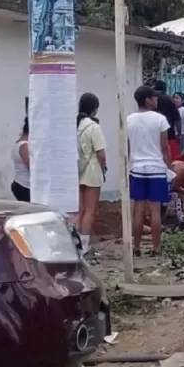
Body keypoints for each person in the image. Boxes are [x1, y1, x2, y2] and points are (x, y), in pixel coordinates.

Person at [128, 86, 171, 255]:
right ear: (147, 99)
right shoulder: (160, 119)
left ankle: (136, 247)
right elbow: (165, 146)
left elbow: (129, 146)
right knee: (155, 210)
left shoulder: (129, 119)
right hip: (156, 168)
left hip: (136, 168)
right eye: (154, 97)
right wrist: (169, 165)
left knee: (138, 208)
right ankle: (156, 248)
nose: (157, 100)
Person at [76, 93, 107, 253]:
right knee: (90, 210)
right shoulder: (94, 127)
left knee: (80, 210)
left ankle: (77, 244)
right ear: (94, 108)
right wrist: (104, 168)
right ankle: (85, 245)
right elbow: (101, 154)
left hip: (79, 171)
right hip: (93, 171)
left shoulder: (77, 125)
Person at [152, 80, 182, 159]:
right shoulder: (170, 99)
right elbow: (177, 119)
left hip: (153, 134)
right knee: (171, 158)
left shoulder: (150, 99)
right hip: (169, 133)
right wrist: (179, 133)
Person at [11, 118, 31, 202]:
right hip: (25, 186)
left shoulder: (18, 143)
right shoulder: (24, 146)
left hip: (20, 183)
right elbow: (32, 167)